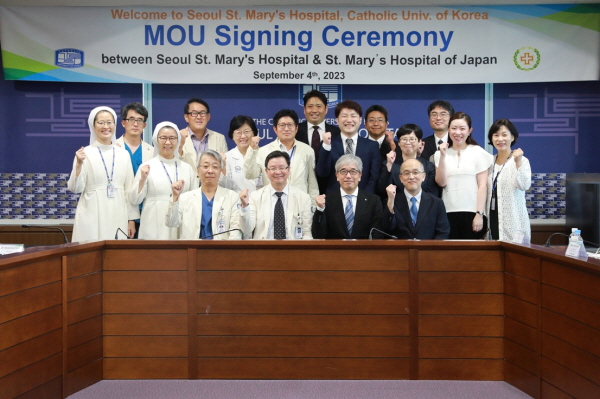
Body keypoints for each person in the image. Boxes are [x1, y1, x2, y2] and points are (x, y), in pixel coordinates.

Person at [68, 106, 138, 242]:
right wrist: (78, 165)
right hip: (91, 212)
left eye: (109, 122)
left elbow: (129, 189)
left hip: (118, 211)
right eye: (101, 122)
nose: (106, 126)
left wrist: (131, 219)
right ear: (93, 126)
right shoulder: (84, 153)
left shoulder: (123, 154)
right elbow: (75, 188)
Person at [129, 122, 198, 239]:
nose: (167, 142)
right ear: (156, 140)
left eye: (172, 138)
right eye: (163, 138)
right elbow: (134, 200)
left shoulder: (187, 168)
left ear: (178, 140)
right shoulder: (147, 167)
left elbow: (194, 200)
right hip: (154, 222)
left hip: (181, 221)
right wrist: (142, 179)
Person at [435, 112, 493, 239]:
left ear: (469, 130)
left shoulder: (478, 152)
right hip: (448, 212)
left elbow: (483, 185)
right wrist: (443, 156)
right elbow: (441, 182)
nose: (457, 132)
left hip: (472, 212)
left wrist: (479, 213)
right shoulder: (439, 154)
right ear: (448, 129)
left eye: (462, 129)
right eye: (454, 128)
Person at [243, 109, 319, 204]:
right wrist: (252, 150)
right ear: (275, 129)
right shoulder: (263, 151)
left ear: (296, 128)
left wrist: (313, 207)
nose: (286, 129)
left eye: (290, 125)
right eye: (282, 125)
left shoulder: (307, 151)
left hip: (300, 204)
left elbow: (312, 184)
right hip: (272, 203)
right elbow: (249, 175)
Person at [166, 150, 241, 239]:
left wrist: (228, 252)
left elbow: (236, 231)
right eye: (205, 166)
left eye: (215, 167)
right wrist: (175, 198)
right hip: (192, 250)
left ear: (220, 171)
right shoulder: (185, 198)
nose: (210, 171)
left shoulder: (232, 197)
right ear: (198, 171)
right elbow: (171, 223)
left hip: (221, 250)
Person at [239, 151, 313, 240]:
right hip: (263, 249)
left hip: (293, 250)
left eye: (281, 167)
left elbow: (307, 233)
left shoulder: (303, 198)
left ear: (288, 170)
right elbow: (247, 229)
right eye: (273, 168)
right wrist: (244, 207)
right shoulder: (256, 196)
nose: (277, 172)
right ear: (266, 171)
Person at [316, 100, 381, 194]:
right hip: (335, 199)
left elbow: (374, 177)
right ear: (337, 120)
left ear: (360, 120)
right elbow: (322, 173)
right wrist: (326, 146)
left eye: (353, 115)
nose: (349, 120)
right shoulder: (328, 143)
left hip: (364, 199)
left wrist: (364, 199)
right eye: (344, 115)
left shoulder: (371, 145)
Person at [312, 154, 382, 239]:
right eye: (343, 171)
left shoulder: (373, 201)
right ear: (337, 176)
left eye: (353, 171)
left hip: (363, 250)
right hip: (335, 251)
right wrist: (320, 209)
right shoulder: (327, 201)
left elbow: (377, 235)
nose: (348, 176)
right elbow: (318, 235)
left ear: (360, 176)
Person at [486, 119, 532, 241]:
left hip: (514, 222)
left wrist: (518, 163)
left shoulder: (522, 160)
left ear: (512, 137)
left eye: (504, 134)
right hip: (492, 219)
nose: (500, 139)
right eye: (496, 135)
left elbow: (524, 185)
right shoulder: (488, 162)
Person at [382, 158, 450, 239]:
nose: (411, 177)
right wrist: (390, 203)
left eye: (415, 172)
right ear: (401, 178)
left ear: (423, 176)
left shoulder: (436, 203)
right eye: (406, 173)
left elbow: (443, 232)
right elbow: (386, 228)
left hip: (428, 250)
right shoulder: (392, 201)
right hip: (400, 250)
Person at [116, 102, 154, 237]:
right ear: (123, 123)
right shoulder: (113, 148)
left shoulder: (152, 152)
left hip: (146, 212)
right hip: (119, 211)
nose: (135, 124)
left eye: (140, 120)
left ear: (145, 125)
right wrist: (130, 218)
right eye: (131, 119)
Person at [296, 89, 341, 194]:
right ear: (304, 109)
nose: (314, 110)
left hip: (330, 188)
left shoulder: (337, 132)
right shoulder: (295, 131)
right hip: (302, 188)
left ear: (326, 109)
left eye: (319, 106)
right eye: (310, 106)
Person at [377, 124, 438, 199]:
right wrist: (389, 167)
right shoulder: (390, 163)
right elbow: (382, 190)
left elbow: (433, 194)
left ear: (419, 142)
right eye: (404, 139)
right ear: (399, 143)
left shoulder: (428, 166)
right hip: (397, 207)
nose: (408, 142)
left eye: (412, 139)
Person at [179, 98, 228, 171]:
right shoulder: (177, 137)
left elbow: (224, 167)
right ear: (186, 117)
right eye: (194, 113)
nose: (199, 117)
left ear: (208, 117)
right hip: (187, 182)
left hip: (213, 181)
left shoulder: (219, 138)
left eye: (202, 113)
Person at [219, 115, 262, 194]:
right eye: (238, 133)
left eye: (247, 132)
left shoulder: (263, 154)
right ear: (232, 135)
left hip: (262, 203)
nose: (243, 136)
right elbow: (224, 188)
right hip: (237, 204)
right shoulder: (227, 158)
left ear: (254, 133)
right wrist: (223, 169)